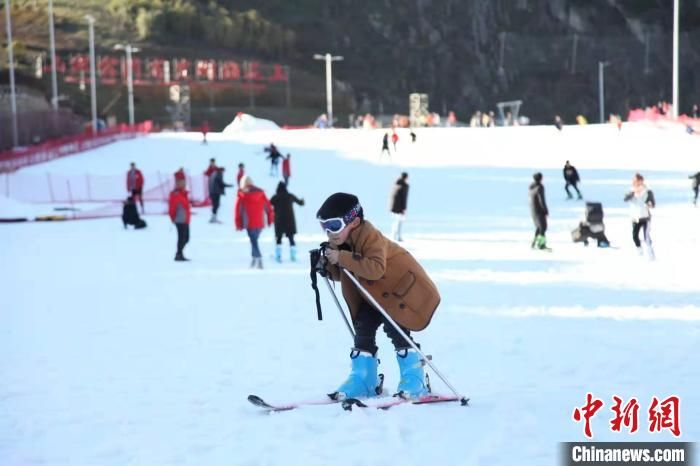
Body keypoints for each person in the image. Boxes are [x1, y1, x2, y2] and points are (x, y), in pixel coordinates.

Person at [315, 193, 441, 399]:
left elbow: (375, 269)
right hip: (372, 296)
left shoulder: (371, 237)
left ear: (354, 221)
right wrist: (327, 266)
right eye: (324, 226)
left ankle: (415, 378)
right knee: (362, 328)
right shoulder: (341, 241)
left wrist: (342, 257)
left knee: (396, 329)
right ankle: (364, 378)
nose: (330, 232)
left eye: (334, 225)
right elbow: (344, 273)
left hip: (398, 295)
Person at [235, 175, 274, 269]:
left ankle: (258, 258)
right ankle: (254, 258)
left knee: (253, 241)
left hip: (249, 223)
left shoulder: (242, 195)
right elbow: (268, 208)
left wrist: (238, 224)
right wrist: (269, 220)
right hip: (260, 223)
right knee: (254, 240)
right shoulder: (261, 193)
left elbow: (237, 211)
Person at [269, 182, 304, 263]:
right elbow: (300, 203)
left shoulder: (275, 197)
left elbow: (268, 204)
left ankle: (278, 256)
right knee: (291, 238)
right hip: (289, 221)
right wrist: (302, 201)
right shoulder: (290, 196)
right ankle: (293, 256)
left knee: (279, 238)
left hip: (279, 221)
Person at [623, 173, 656, 260]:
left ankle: (650, 253)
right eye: (635, 181)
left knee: (646, 237)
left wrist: (650, 204)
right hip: (635, 218)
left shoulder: (648, 192)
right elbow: (625, 199)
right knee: (634, 236)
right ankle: (639, 251)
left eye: (639, 181)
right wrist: (633, 193)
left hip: (645, 217)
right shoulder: (631, 191)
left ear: (642, 181)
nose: (637, 183)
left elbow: (652, 203)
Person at [169, 172, 191, 261]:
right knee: (182, 238)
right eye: (181, 182)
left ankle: (179, 253)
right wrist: (173, 218)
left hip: (185, 219)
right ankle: (179, 254)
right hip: (179, 220)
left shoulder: (183, 193)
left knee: (186, 238)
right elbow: (172, 208)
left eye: (184, 182)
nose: (184, 184)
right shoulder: (176, 194)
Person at [529, 172, 549, 250]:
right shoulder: (539, 187)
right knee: (543, 228)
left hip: (533, 210)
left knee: (538, 227)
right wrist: (545, 210)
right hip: (539, 210)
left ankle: (534, 243)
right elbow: (542, 200)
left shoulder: (531, 187)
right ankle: (541, 244)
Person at [389, 172, 409, 242]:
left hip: (393, 207)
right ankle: (398, 237)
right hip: (400, 208)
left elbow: (392, 196)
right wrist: (404, 208)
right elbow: (404, 198)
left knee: (395, 222)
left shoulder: (396, 184)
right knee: (399, 222)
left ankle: (393, 236)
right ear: (406, 177)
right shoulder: (405, 186)